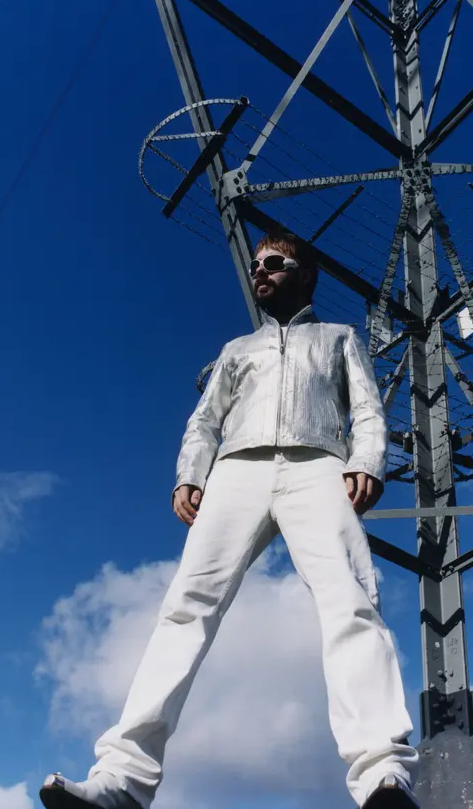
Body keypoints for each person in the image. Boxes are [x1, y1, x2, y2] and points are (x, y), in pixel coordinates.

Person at [39, 231, 419, 809]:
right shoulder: (238, 349)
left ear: (305, 275)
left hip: (319, 463)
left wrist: (366, 460)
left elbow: (367, 408)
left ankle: (382, 773)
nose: (260, 271)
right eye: (256, 264)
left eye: (275, 262)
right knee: (185, 606)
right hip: (235, 472)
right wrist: (190, 473)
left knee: (351, 602)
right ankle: (123, 778)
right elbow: (205, 421)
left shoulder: (340, 338)